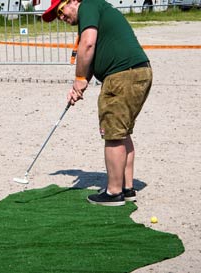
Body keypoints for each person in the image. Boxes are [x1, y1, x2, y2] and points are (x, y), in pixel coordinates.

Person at [42, 0, 152, 206]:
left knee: (113, 135)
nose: (62, 18)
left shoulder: (88, 6)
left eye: (61, 11)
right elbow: (91, 57)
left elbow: (88, 44)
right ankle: (127, 189)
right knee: (122, 132)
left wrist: (79, 78)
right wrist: (79, 85)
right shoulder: (96, 10)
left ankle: (114, 192)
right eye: (58, 17)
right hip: (138, 72)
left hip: (121, 76)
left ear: (73, 1)